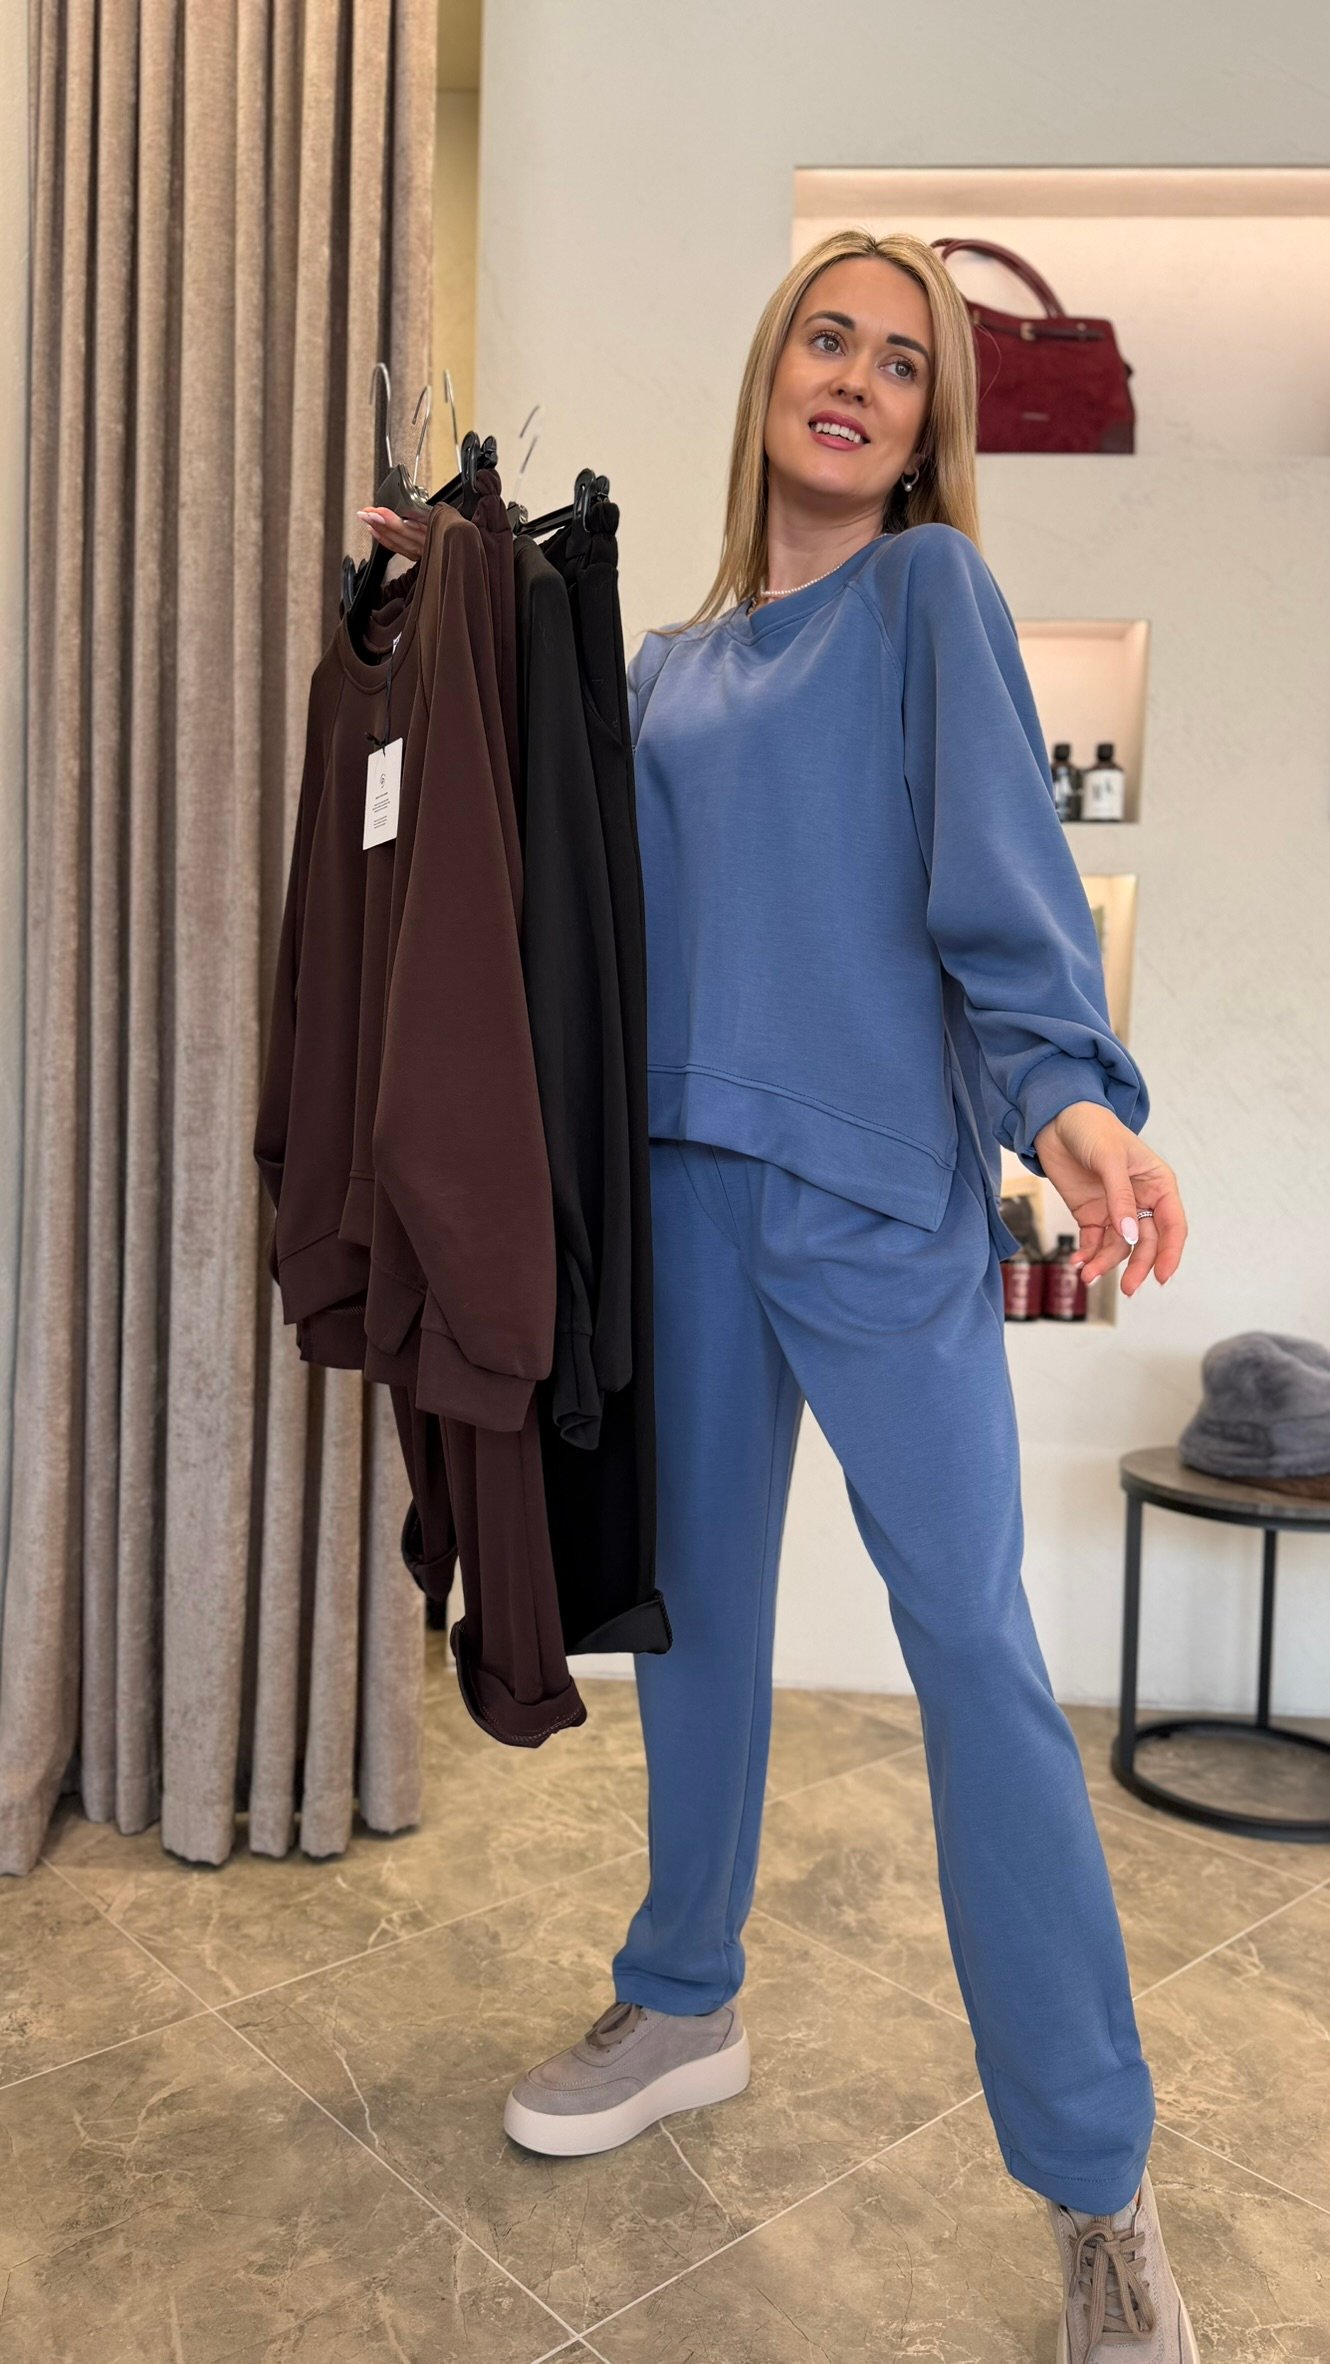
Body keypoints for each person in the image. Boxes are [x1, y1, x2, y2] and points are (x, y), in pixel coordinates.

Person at [360, 228, 1197, 2363]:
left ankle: (1094, 2182)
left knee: (973, 1653)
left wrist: (1071, 1108)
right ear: (766, 375)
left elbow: (1000, 891)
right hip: (679, 1213)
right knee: (701, 1632)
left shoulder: (928, 600)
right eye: (826, 339)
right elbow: (548, 882)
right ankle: (680, 1999)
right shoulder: (665, 671)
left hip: (875, 1209)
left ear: (923, 435)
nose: (853, 378)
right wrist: (437, 616)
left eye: (899, 365)